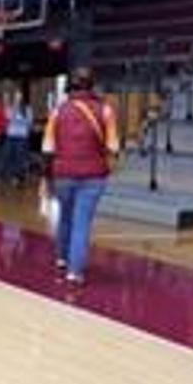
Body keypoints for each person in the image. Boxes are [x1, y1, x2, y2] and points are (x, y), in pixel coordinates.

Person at [41, 66, 119, 285]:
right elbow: (113, 146)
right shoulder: (105, 110)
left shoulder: (58, 111)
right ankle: (74, 272)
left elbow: (47, 148)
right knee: (81, 222)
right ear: (93, 85)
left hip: (63, 174)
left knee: (65, 216)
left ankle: (62, 258)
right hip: (94, 175)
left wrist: (46, 176)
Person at [0, 89, 33, 183]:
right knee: (9, 156)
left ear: (22, 98)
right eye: (16, 97)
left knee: (20, 157)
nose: (17, 98)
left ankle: (19, 177)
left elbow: (29, 123)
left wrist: (19, 121)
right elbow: (7, 116)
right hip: (11, 136)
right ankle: (9, 176)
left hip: (21, 137)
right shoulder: (11, 107)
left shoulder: (27, 109)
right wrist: (12, 107)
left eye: (19, 97)